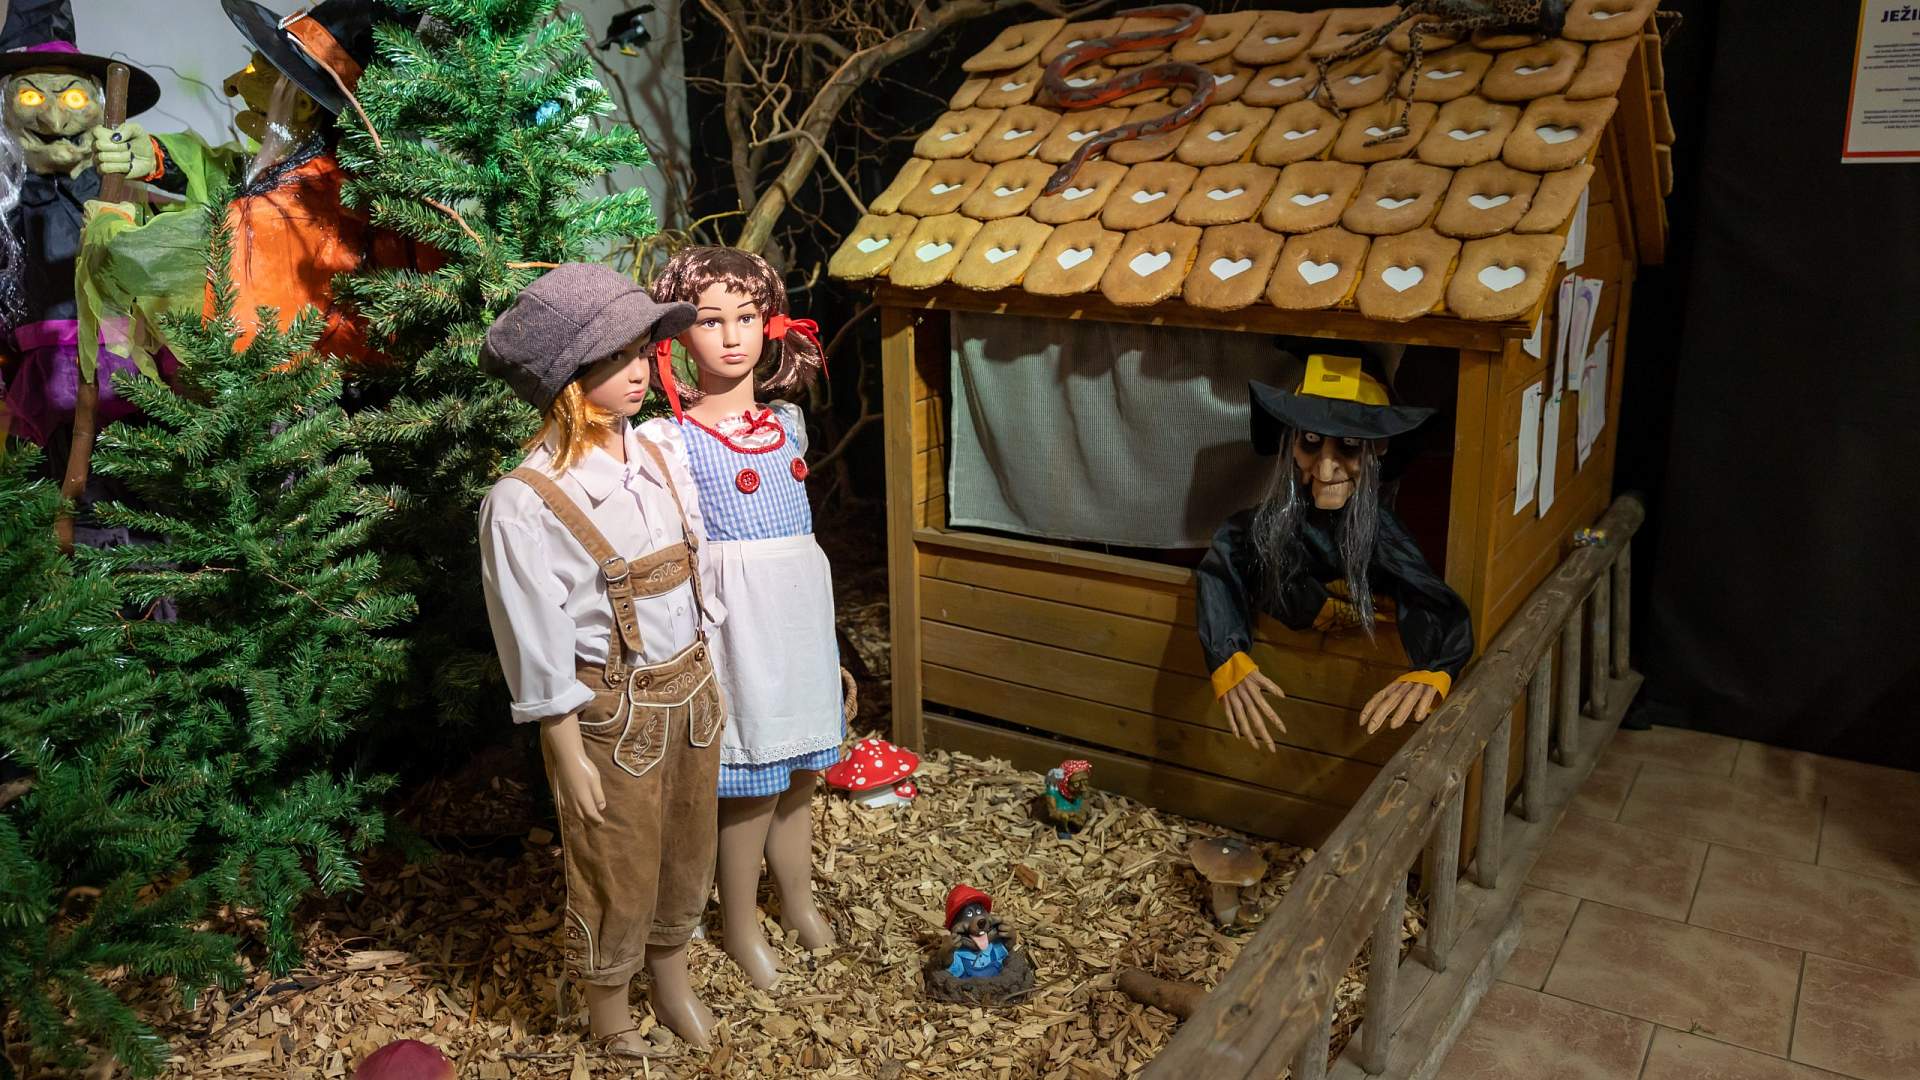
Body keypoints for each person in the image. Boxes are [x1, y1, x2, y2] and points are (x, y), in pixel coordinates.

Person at [476, 262, 723, 1054]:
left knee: (689, 845)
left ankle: (672, 978)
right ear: (565, 382)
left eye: (641, 351)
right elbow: (532, 631)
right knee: (617, 860)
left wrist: (715, 662)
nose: (639, 371)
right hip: (613, 713)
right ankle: (610, 1007)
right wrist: (561, 740)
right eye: (614, 358)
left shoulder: (660, 455)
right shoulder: (525, 502)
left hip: (693, 690)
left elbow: (697, 569)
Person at [649, 246, 841, 990]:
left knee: (800, 776)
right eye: (709, 320)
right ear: (678, 334)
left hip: (798, 606)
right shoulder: (673, 437)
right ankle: (740, 924)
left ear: (771, 323)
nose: (732, 337)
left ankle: (798, 900)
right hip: (739, 618)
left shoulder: (788, 422)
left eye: (747, 317)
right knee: (753, 779)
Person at [1196, 346, 1473, 745]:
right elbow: (1223, 566)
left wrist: (1436, 668)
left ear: (1378, 449)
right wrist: (1227, 658)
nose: (1326, 469)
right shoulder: (1264, 526)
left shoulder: (1383, 536)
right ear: (1293, 445)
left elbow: (1430, 600)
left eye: (1348, 444)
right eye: (1310, 442)